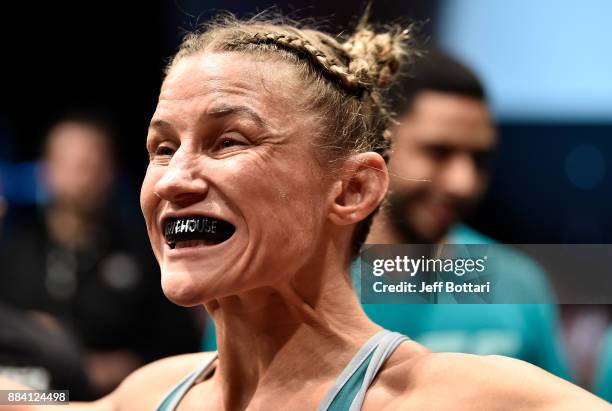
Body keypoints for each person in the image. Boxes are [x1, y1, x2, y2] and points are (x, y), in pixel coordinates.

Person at [1, 14, 608, 410]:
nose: (175, 179)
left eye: (228, 141)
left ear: (351, 190)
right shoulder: (155, 393)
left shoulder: (466, 393)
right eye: (161, 147)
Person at [356, 50, 572, 379]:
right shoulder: (315, 282)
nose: (463, 183)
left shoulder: (517, 284)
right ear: (378, 144)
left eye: (479, 158)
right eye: (438, 152)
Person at [0, 116, 201, 396]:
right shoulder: (13, 254)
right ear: (46, 171)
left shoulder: (147, 253)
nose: (88, 173)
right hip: (31, 397)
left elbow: (180, 347)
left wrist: (101, 368)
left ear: (111, 171)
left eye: (97, 162)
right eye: (76, 163)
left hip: (123, 399)